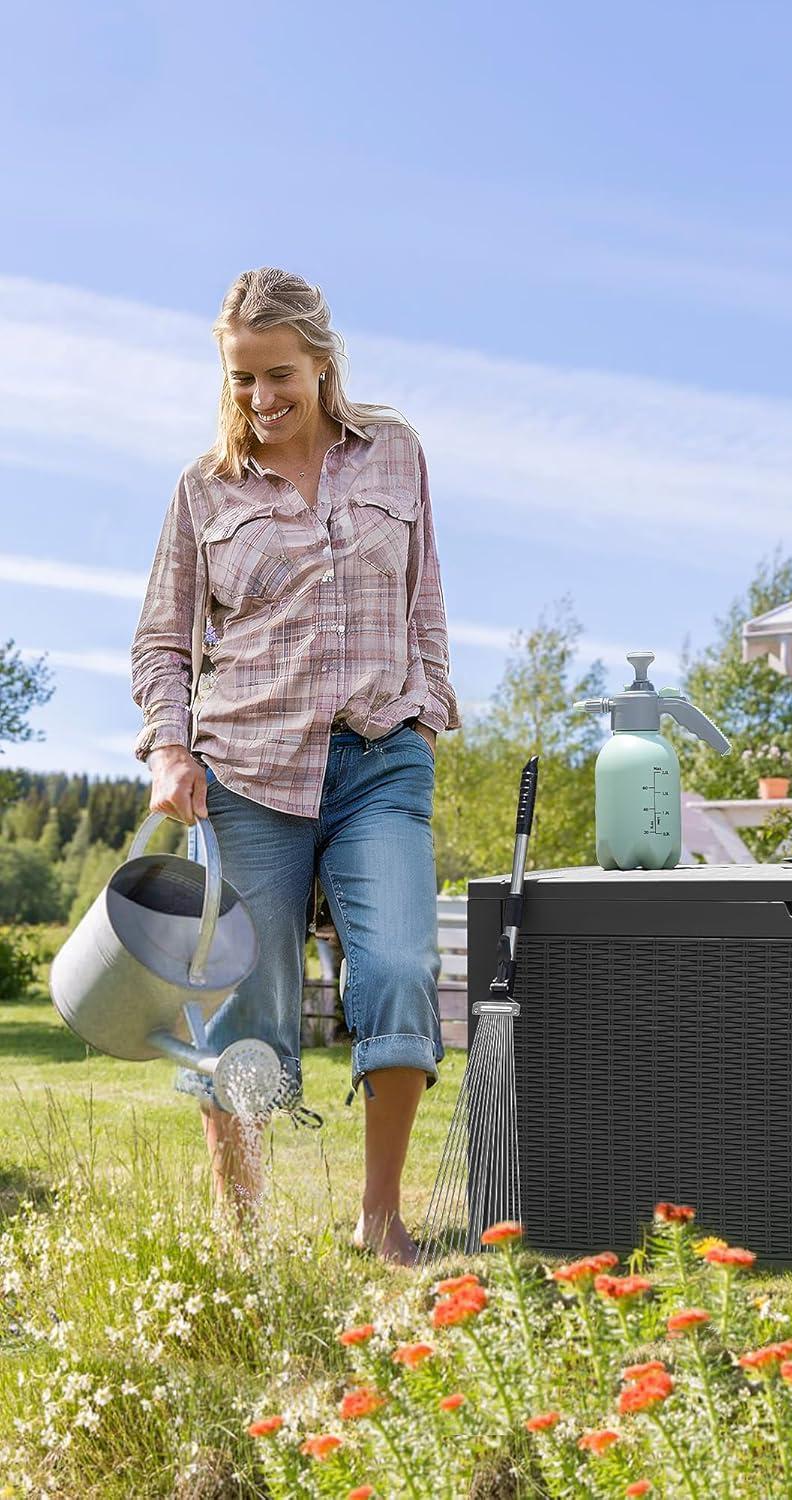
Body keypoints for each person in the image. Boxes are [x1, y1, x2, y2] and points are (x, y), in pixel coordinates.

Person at [130, 267, 459, 1264]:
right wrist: (172, 746)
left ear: (322, 364)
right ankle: (247, 1241)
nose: (262, 400)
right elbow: (162, 644)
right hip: (249, 775)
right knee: (247, 1003)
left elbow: (425, 600)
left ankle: (382, 1217)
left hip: (377, 761)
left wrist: (428, 712)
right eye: (241, 381)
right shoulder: (204, 490)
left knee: (400, 966)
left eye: (279, 376)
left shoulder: (394, 455)